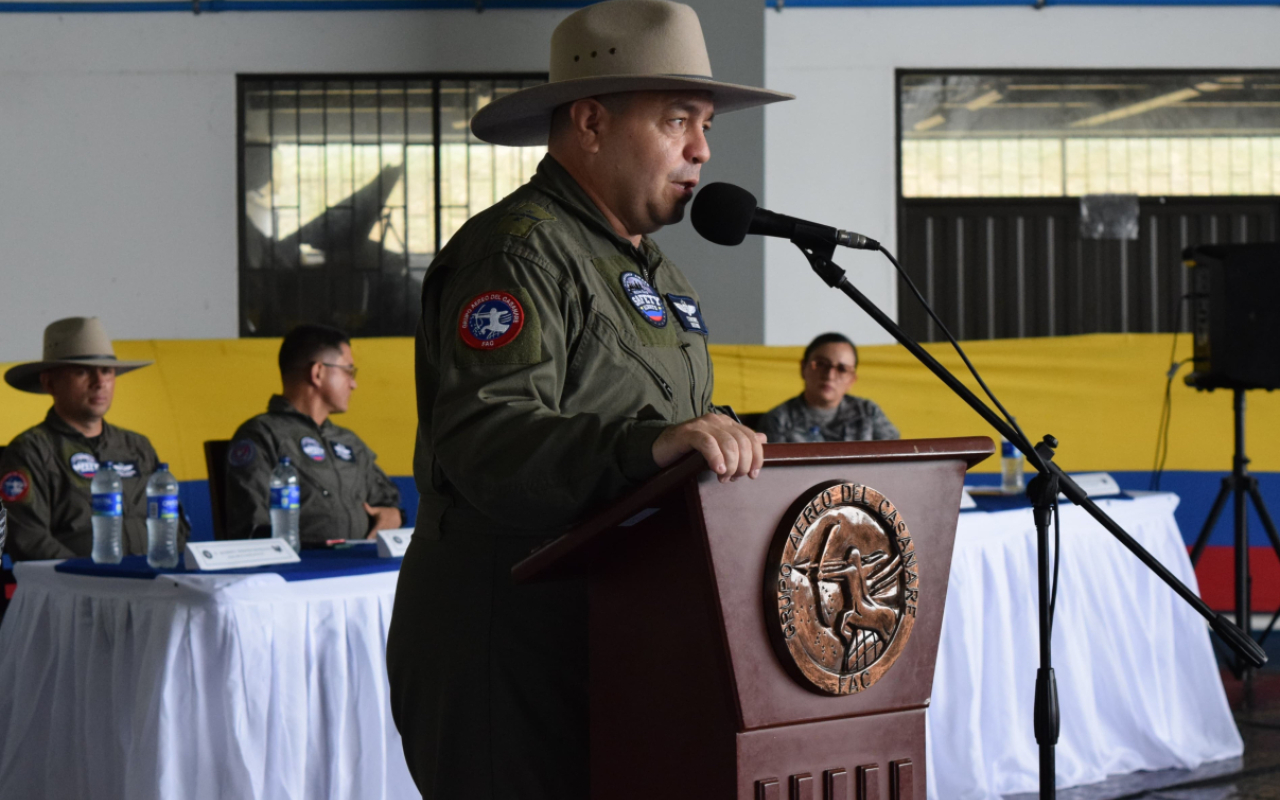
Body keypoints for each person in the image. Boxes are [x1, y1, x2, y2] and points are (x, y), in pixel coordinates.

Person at [385, 2, 792, 797]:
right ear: (592, 121)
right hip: (509, 640)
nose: (703, 150)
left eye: (705, 124)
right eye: (678, 120)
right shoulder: (519, 253)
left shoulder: (652, 271)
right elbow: (486, 440)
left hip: (617, 627)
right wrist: (649, 446)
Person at [0, 316, 188, 560]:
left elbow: (176, 525)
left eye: (107, 371)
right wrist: (88, 578)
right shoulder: (31, 451)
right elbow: (27, 539)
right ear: (49, 382)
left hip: (153, 585)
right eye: (82, 372)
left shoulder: (137, 446)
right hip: (71, 592)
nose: (99, 383)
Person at [223, 324, 401, 543]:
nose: (353, 384)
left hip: (360, 568)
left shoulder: (348, 441)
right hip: (301, 572)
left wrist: (394, 515)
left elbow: (388, 501)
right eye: (348, 371)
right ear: (318, 372)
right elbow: (250, 528)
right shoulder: (262, 435)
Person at [759, 332, 900, 443]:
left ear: (852, 379)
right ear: (803, 368)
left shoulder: (868, 412)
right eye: (820, 364)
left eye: (842, 369)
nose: (830, 375)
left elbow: (895, 460)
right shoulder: (779, 420)